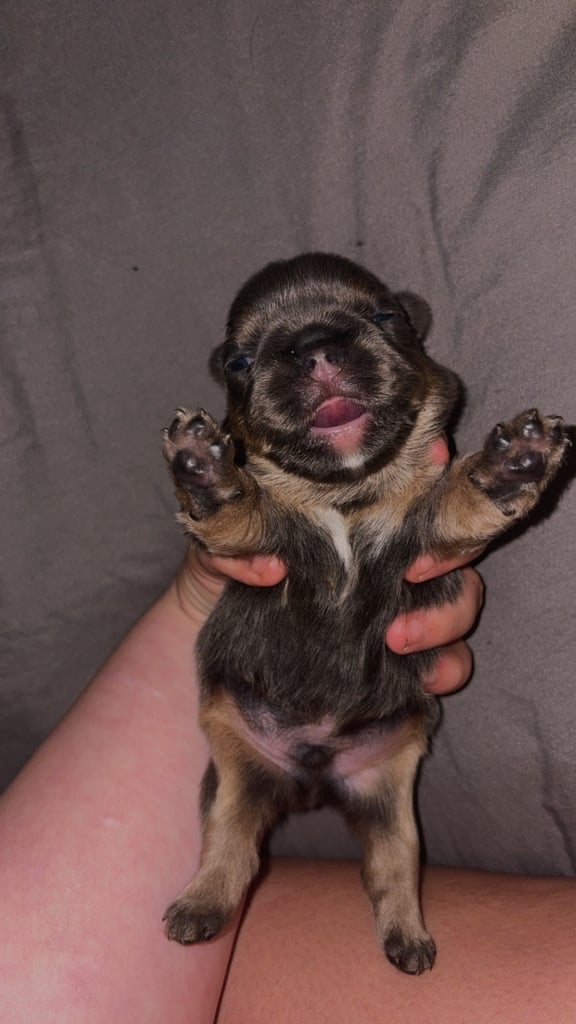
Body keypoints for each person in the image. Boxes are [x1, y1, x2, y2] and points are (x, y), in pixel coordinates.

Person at [0, 437, 573, 1022]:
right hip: (267, 717)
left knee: (390, 823)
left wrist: (207, 556)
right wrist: (223, 509)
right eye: (248, 364)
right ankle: (233, 878)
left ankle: (397, 913)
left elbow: (446, 519)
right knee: (242, 815)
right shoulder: (280, 483)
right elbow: (245, 530)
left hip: (371, 727)